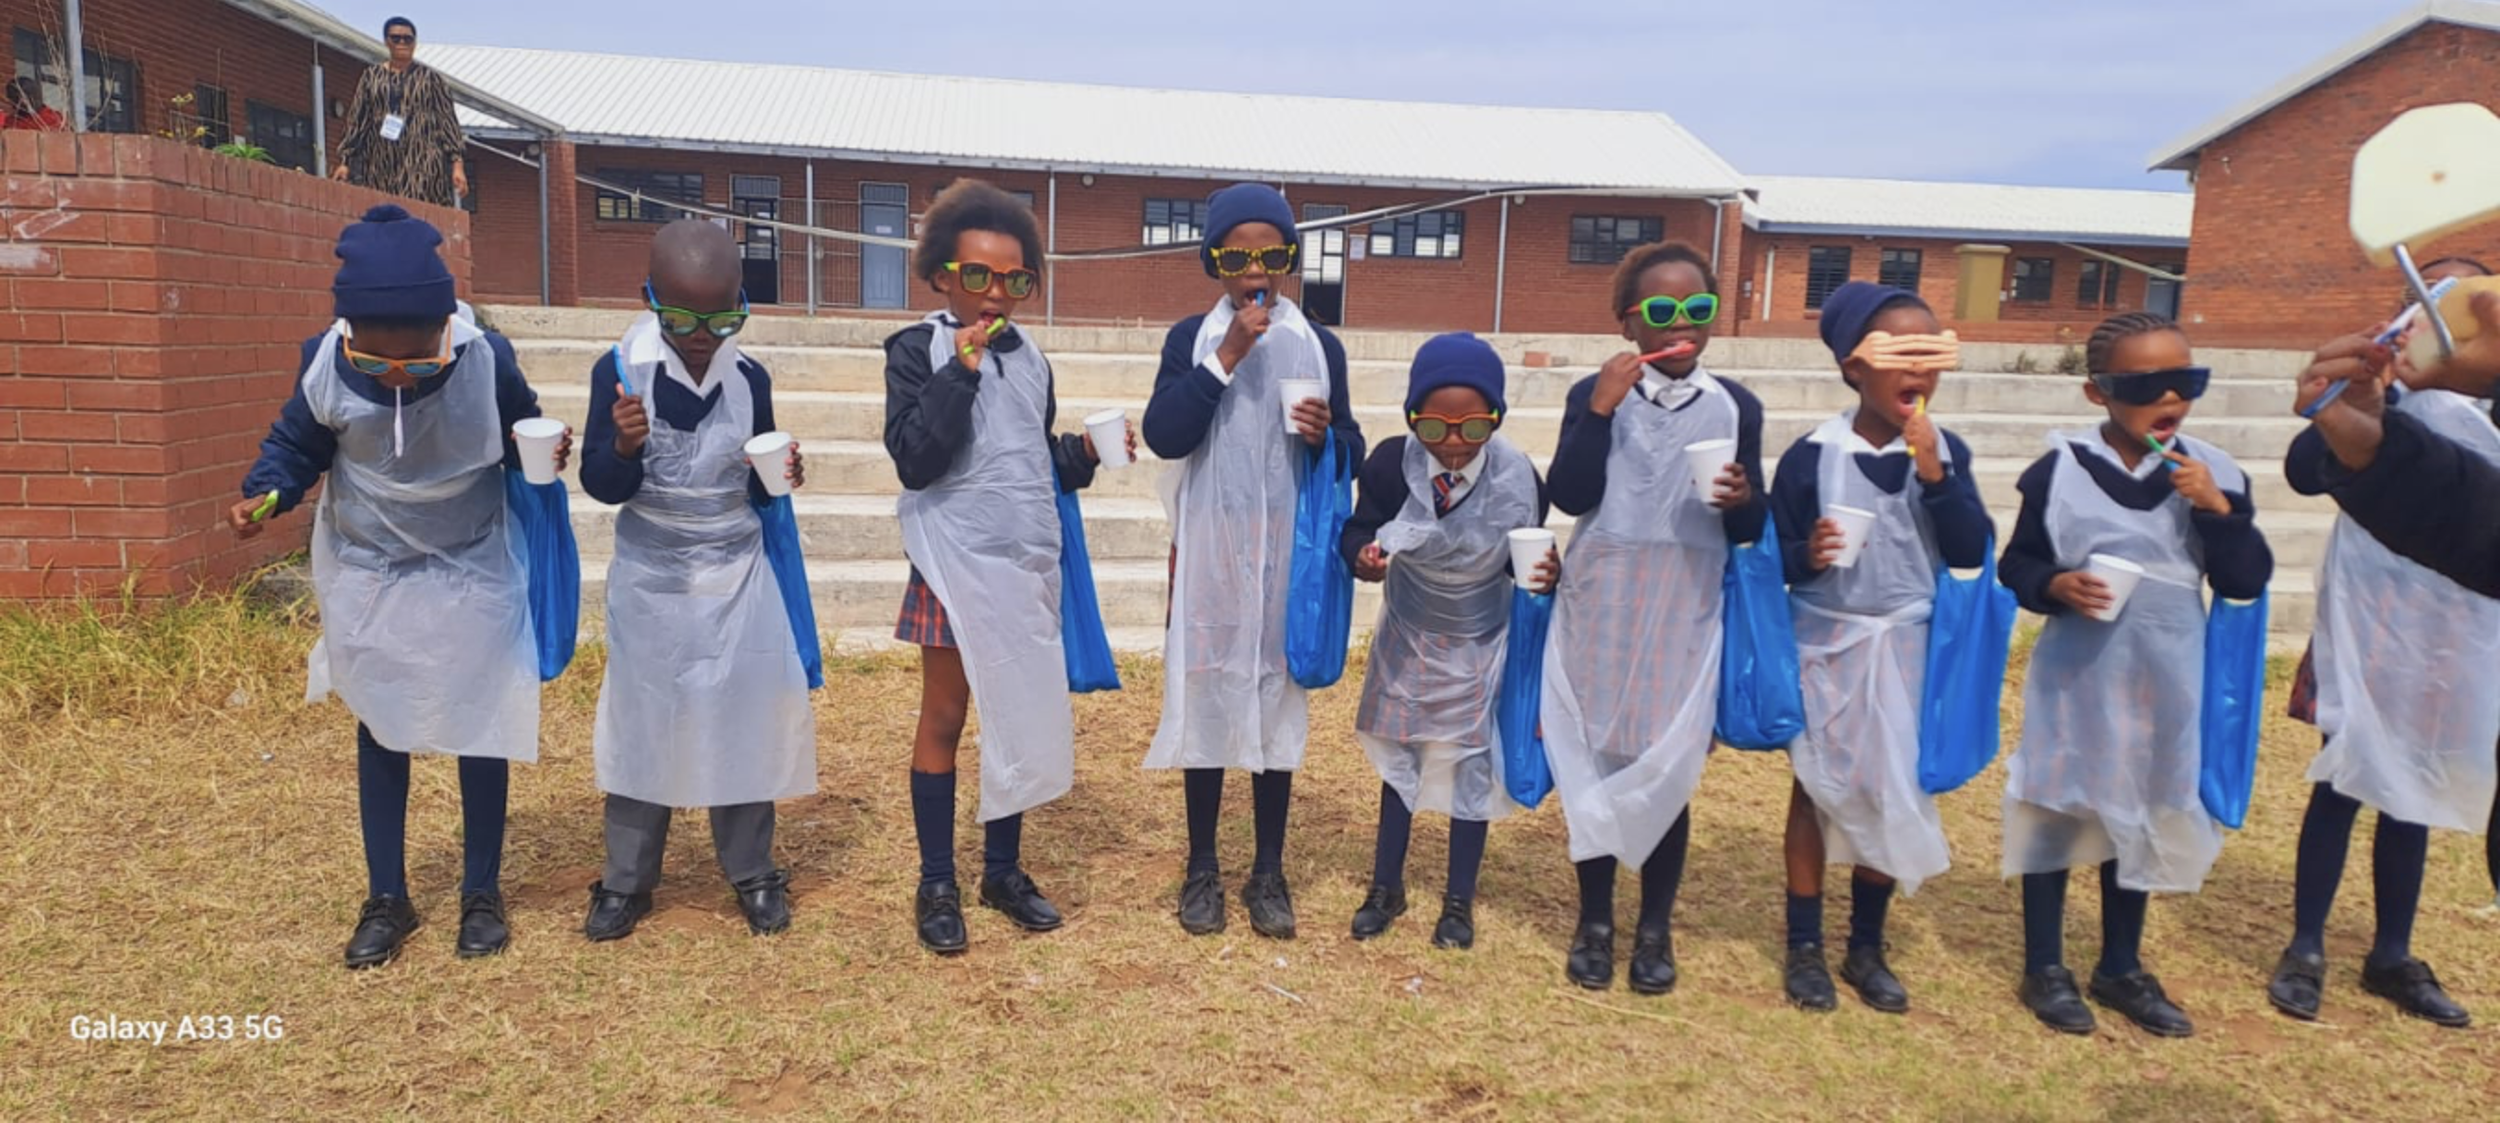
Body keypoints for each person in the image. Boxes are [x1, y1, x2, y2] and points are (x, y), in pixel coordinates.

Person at [231, 204, 565, 968]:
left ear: (447, 327)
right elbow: (297, 444)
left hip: (470, 557)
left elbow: (523, 433)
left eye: (418, 363)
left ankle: (481, 889)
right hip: (370, 564)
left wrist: (546, 454)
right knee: (381, 720)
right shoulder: (325, 361)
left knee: (481, 718)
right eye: (376, 365)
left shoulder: (488, 359)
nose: (396, 379)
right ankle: (388, 894)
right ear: (348, 336)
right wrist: (268, 489)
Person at [1999, 311, 2272, 1038]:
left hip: (2167, 671)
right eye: (2149, 384)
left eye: (2187, 381)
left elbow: (2245, 579)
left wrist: (2218, 511)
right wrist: (2055, 585)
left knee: (2145, 807)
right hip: (2079, 671)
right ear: (2100, 394)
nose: (2171, 397)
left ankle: (2120, 963)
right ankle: (2045, 964)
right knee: (2057, 804)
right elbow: (2016, 563)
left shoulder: (2212, 471)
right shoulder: (2058, 468)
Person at [883, 179, 1116, 955]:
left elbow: (1025, 458)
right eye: (978, 276)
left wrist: (1078, 456)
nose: (995, 295)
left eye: (1015, 280)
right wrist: (961, 368)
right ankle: (938, 881)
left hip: (1022, 563)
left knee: (1013, 712)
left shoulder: (1034, 358)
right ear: (943, 273)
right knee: (946, 718)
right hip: (953, 558)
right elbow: (917, 458)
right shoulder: (917, 349)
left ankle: (1003, 870)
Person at [2265, 257, 2498, 1028]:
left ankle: (2393, 951)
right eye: (2428, 298)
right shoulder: (2378, 387)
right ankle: (2305, 946)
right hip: (2372, 627)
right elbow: (2304, 468)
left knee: (2414, 792)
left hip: (2452, 634)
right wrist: (2368, 397)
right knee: (2344, 776)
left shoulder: (2490, 405)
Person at [575, 220, 813, 942]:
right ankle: (627, 878)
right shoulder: (619, 371)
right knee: (644, 720)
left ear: (742, 303)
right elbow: (600, 485)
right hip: (652, 576)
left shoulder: (750, 379)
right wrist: (619, 445)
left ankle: (751, 869)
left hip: (736, 576)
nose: (702, 335)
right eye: (680, 319)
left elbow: (761, 487)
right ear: (649, 301)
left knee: (741, 718)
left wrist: (782, 479)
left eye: (722, 317)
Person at [1543, 241, 1768, 995]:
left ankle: (1654, 926)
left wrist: (1742, 501)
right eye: (1662, 311)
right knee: (1599, 758)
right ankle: (1595, 921)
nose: (1682, 325)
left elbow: (1748, 528)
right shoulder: (1595, 391)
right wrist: (1601, 406)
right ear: (1627, 322)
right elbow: (1571, 496)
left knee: (1665, 763)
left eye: (1697, 310)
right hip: (1603, 596)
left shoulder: (1736, 405)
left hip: (1685, 599)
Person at [1142, 183, 1364, 941]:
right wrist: (1229, 354)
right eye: (1238, 254)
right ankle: (1202, 862)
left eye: (1271, 253)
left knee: (1275, 704)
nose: (1256, 267)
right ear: (1215, 262)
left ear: (1291, 260)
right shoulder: (1191, 338)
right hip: (1213, 551)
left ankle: (1267, 867)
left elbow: (1352, 450)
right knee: (1208, 697)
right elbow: (1166, 434)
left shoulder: (1319, 345)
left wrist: (1324, 435)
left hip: (1287, 556)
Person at [1767, 282, 1993, 1014]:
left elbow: (1967, 553)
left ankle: (1866, 944)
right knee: (1815, 783)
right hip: (1825, 639)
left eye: (1932, 355)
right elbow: (1774, 557)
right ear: (1853, 365)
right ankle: (1804, 943)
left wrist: (1937, 475)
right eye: (1901, 353)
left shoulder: (1945, 452)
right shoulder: (1811, 456)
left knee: (1891, 783)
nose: (1919, 374)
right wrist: (1811, 555)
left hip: (1906, 645)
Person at [1340, 332, 1555, 951]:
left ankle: (1458, 899)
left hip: (1480, 638)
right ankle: (1387, 885)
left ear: (1497, 420)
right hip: (1408, 632)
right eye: (1435, 428)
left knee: (1470, 765)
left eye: (1473, 427)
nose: (1455, 443)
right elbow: (1357, 527)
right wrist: (1363, 556)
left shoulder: (1519, 479)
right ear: (1412, 420)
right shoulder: (1388, 464)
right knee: (1401, 759)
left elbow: (1522, 558)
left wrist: (1544, 574)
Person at [334, 16, 467, 208]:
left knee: (418, 215)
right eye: (396, 38)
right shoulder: (371, 77)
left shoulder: (431, 79)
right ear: (387, 41)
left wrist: (457, 165)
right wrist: (345, 161)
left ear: (415, 42)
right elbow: (357, 120)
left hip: (422, 162)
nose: (402, 43)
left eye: (408, 39)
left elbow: (447, 122)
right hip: (380, 164)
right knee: (385, 217)